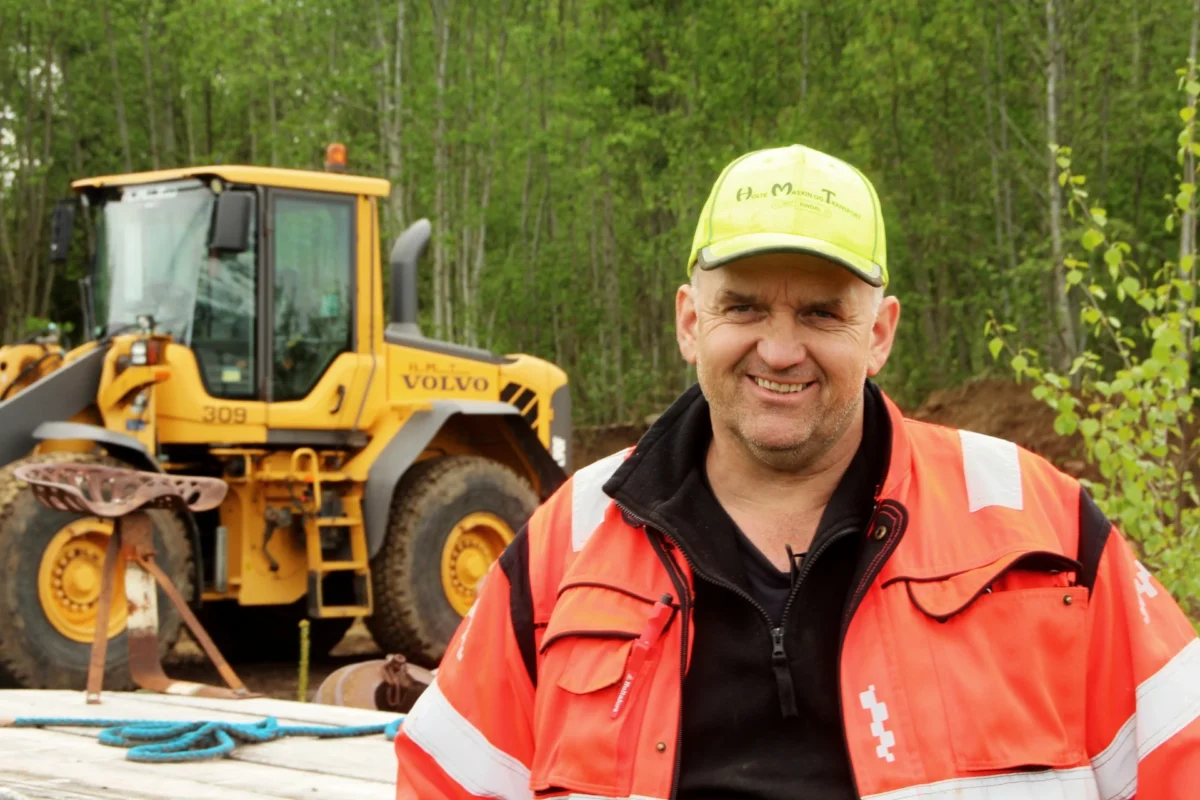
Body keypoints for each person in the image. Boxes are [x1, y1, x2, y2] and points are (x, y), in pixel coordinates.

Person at [393, 144, 1200, 799]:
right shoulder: (569, 544)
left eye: (821, 312)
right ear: (688, 320)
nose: (779, 350)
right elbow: (443, 782)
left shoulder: (1038, 531)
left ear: (880, 332)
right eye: (743, 306)